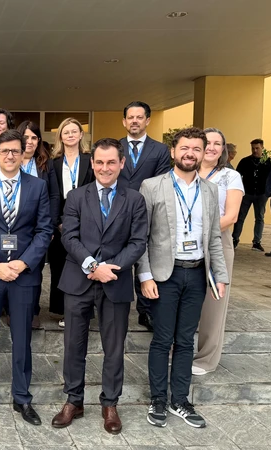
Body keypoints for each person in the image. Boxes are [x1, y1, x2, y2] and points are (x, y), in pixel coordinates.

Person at [52, 138, 147, 434]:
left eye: (111, 162)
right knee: (73, 345)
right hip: (78, 280)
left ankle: (110, 404)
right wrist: (93, 266)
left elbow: (138, 241)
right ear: (91, 165)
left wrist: (110, 269)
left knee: (114, 347)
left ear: (121, 164)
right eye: (100, 162)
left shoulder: (134, 200)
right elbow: (69, 237)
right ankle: (74, 400)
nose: (105, 168)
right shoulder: (77, 197)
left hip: (115, 282)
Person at [138, 127, 229, 429]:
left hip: (197, 275)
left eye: (196, 149)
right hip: (165, 274)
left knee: (185, 341)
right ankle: (158, 400)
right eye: (185, 148)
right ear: (173, 151)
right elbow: (142, 237)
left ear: (203, 154)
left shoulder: (210, 190)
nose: (190, 153)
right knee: (162, 339)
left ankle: (180, 399)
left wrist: (219, 274)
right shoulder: (151, 186)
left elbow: (214, 237)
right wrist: (145, 275)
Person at [0, 129, 53, 427]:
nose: (11, 155)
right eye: (5, 151)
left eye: (16, 150)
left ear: (23, 152)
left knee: (22, 339)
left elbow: (44, 231)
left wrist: (23, 263)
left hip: (24, 275)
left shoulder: (37, 186)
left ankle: (22, 397)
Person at [192, 128, 244, 376]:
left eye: (217, 143)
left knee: (213, 303)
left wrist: (198, 230)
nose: (211, 147)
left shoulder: (230, 177)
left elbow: (231, 216)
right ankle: (180, 351)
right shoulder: (185, 172)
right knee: (185, 299)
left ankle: (206, 359)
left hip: (217, 244)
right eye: (207, 142)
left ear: (223, 149)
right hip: (186, 246)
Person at [119, 101, 171, 333]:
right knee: (118, 259)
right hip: (117, 213)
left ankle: (145, 310)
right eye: (130, 117)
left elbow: (160, 182)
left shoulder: (159, 150)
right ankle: (115, 306)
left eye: (139, 117)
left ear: (147, 120)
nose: (135, 121)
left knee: (144, 259)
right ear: (124, 121)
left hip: (147, 213)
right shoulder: (115, 146)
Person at [49, 118, 95, 328]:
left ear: (80, 135)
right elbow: (53, 194)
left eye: (74, 131)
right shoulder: (54, 162)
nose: (70, 135)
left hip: (86, 218)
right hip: (61, 219)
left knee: (83, 265)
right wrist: (58, 222)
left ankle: (84, 311)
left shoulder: (90, 159)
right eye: (65, 132)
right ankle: (62, 311)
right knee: (60, 266)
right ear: (60, 136)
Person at [16, 120, 61, 328]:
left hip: (38, 228)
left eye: (34, 137)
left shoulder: (45, 163)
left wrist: (50, 226)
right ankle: (12, 309)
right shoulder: (8, 159)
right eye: (26, 137)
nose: (30, 141)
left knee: (33, 269)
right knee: (12, 267)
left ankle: (33, 310)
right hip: (13, 227)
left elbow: (54, 196)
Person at [232, 139, 271, 251]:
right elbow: (236, 176)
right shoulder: (245, 161)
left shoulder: (268, 162)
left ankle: (257, 242)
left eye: (257, 148)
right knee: (240, 217)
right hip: (247, 193)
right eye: (253, 148)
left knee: (259, 217)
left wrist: (269, 191)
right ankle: (234, 239)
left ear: (262, 148)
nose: (255, 151)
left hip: (262, 194)